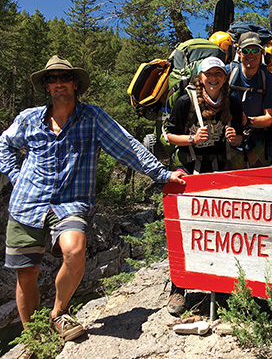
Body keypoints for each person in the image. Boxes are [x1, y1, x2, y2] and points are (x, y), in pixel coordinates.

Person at [0, 56, 187, 343]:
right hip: (26, 203)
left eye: (64, 78)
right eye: (52, 79)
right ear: (46, 87)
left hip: (70, 202)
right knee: (27, 274)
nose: (58, 83)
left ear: (75, 84)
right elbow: (5, 144)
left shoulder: (92, 118)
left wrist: (161, 174)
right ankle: (33, 339)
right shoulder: (28, 119)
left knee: (74, 251)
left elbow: (127, 148)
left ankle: (57, 314)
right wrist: (15, 175)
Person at [163, 56, 244, 314]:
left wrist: (235, 137)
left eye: (219, 73)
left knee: (220, 228)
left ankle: (219, 283)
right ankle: (179, 287)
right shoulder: (186, 102)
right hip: (190, 169)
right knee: (185, 227)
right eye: (209, 73)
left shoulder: (233, 103)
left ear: (224, 77)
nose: (214, 77)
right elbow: (168, 135)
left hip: (220, 171)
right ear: (201, 77)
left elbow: (240, 135)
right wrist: (191, 138)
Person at [227, 31, 272, 168]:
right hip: (228, 141)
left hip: (258, 143)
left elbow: (269, 118)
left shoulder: (269, 80)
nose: (250, 55)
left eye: (255, 50)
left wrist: (247, 121)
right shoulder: (227, 74)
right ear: (239, 53)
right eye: (246, 51)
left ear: (262, 53)